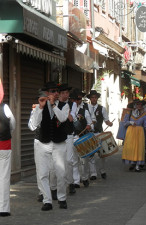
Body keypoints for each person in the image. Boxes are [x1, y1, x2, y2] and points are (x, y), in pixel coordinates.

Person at [29, 81, 69, 211]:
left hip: (59, 143)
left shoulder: (64, 105)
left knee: (61, 173)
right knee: (43, 173)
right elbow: (33, 125)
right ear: (47, 93)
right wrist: (40, 108)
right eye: (52, 91)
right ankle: (47, 201)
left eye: (56, 91)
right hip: (43, 142)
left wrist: (53, 105)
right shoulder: (38, 106)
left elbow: (63, 118)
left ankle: (62, 198)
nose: (55, 93)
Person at [87, 90, 113, 180]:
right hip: (89, 134)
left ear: (97, 98)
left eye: (95, 97)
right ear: (90, 98)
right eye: (92, 97)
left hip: (99, 133)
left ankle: (102, 170)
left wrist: (110, 123)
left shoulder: (102, 108)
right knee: (91, 154)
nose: (94, 99)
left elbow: (106, 120)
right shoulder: (86, 108)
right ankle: (93, 173)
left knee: (102, 154)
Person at [70, 88, 93, 187]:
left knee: (84, 160)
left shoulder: (85, 111)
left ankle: (84, 177)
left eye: (78, 99)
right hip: (71, 137)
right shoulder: (67, 110)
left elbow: (90, 124)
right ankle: (76, 181)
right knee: (74, 161)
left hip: (82, 138)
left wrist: (89, 126)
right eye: (74, 100)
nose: (76, 101)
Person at [122, 99, 146, 172]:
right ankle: (133, 163)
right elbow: (124, 123)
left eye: (140, 105)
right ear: (135, 105)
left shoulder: (144, 114)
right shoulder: (129, 113)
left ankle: (138, 165)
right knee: (131, 148)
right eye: (138, 104)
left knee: (139, 148)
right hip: (131, 132)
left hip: (140, 133)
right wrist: (130, 122)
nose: (139, 106)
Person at [0, 101, 15, 217]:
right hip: (4, 145)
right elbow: (12, 123)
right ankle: (3, 208)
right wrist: (9, 133)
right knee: (4, 177)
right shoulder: (4, 107)